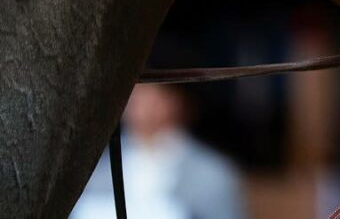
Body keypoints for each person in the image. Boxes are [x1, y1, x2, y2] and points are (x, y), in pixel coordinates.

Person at [71, 82, 248, 219]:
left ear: (175, 100)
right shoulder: (96, 167)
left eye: (148, 89)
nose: (135, 97)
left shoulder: (212, 174)